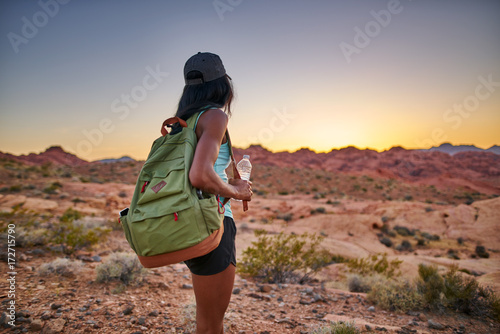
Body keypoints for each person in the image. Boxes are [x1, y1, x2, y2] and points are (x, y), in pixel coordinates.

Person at [176, 52, 253, 333]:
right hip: (213, 224)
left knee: (206, 319)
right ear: (223, 85)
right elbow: (199, 175)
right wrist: (235, 191)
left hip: (187, 222)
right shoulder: (215, 117)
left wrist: (229, 177)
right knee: (210, 324)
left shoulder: (181, 121)